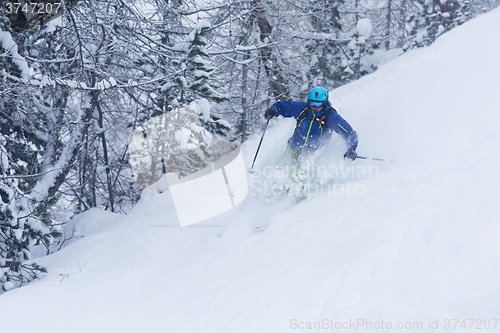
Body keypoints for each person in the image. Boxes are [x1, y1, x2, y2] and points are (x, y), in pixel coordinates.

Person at [264, 86, 358, 162]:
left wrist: (351, 149)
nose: (314, 107)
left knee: (298, 176)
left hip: (312, 154)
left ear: (324, 103)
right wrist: (274, 110)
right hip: (293, 147)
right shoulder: (303, 109)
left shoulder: (331, 117)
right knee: (280, 170)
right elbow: (283, 106)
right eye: (312, 103)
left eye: (318, 104)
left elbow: (349, 133)